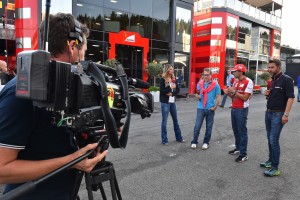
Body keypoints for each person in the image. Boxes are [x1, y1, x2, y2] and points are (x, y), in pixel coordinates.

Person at [0, 13, 108, 199]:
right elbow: (1, 169)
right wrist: (72, 161)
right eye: (84, 51)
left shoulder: (69, 87)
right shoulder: (21, 92)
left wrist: (104, 127)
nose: (83, 58)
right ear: (72, 46)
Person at [260, 59, 294, 177]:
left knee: (274, 140)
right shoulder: (273, 80)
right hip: (268, 112)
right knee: (270, 138)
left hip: (278, 114)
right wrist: (268, 94)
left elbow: (290, 97)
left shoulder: (287, 80)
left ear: (279, 67)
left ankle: (275, 167)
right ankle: (270, 161)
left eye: (272, 67)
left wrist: (286, 114)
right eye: (269, 67)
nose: (269, 69)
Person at [225, 64, 253, 163]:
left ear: (240, 72)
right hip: (234, 108)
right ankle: (238, 148)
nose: (233, 73)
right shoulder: (236, 82)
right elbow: (233, 97)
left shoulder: (248, 81)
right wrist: (228, 93)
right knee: (236, 130)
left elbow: (245, 97)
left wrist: (234, 91)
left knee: (242, 131)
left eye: (235, 71)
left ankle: (243, 154)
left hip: (242, 109)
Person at [191, 68, 221, 150]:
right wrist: (197, 96)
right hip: (200, 107)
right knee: (197, 126)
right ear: (203, 75)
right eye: (204, 75)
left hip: (210, 109)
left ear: (211, 75)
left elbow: (218, 96)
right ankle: (194, 142)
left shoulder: (215, 85)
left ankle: (206, 142)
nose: (206, 76)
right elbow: (198, 95)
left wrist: (215, 107)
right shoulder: (200, 84)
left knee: (209, 127)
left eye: (207, 75)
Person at [159, 64, 185, 145]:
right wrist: (170, 87)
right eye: (170, 69)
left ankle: (179, 138)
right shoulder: (163, 79)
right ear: (167, 70)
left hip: (172, 102)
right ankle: (164, 140)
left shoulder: (174, 79)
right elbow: (162, 91)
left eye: (172, 69)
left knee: (175, 120)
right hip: (165, 103)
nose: (172, 70)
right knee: (164, 121)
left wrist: (172, 94)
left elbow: (178, 90)